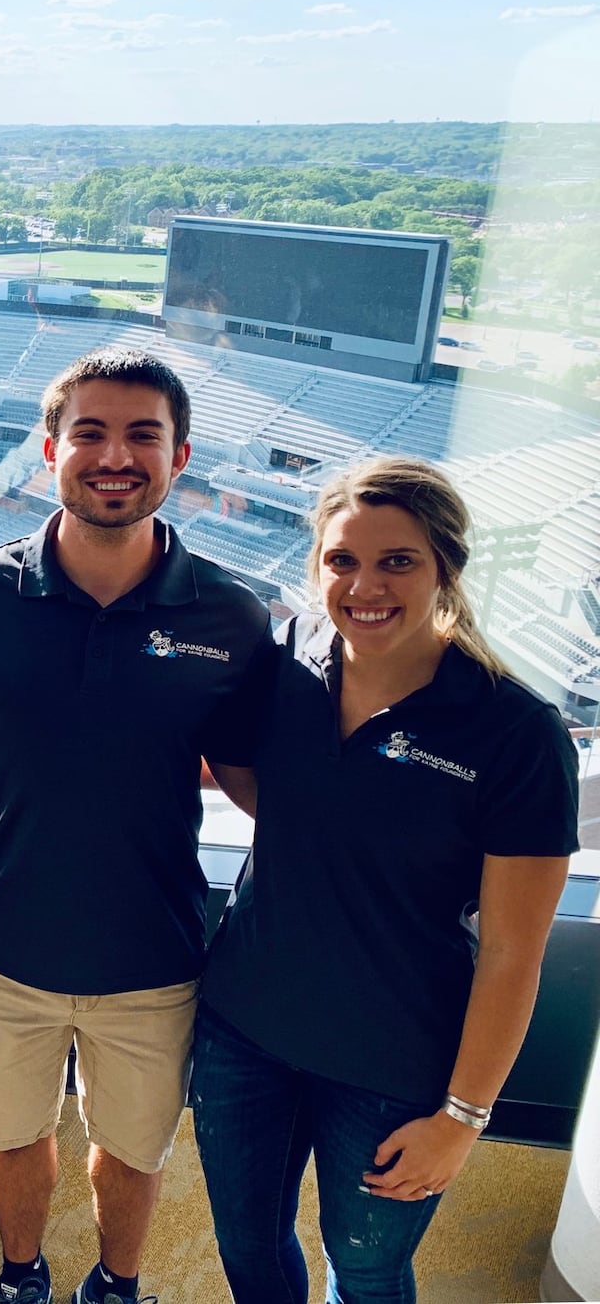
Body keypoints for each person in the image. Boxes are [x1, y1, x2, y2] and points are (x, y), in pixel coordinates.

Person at [0, 348, 275, 1304]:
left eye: (142, 436)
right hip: (4, 942)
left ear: (181, 456)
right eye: (90, 432)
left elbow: (259, 782)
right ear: (51, 449)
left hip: (154, 955)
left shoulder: (234, 617)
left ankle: (117, 1286)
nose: (114, 454)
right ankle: (22, 1272)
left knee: (132, 1148)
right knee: (12, 1137)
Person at [192, 456, 579, 1304]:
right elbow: (256, 782)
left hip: (393, 1064)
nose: (365, 585)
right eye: (342, 561)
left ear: (445, 566)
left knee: (364, 1271)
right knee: (249, 1247)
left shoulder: (515, 732)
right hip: (243, 1035)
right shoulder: (286, 661)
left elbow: (514, 954)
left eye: (397, 560)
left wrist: (462, 1119)